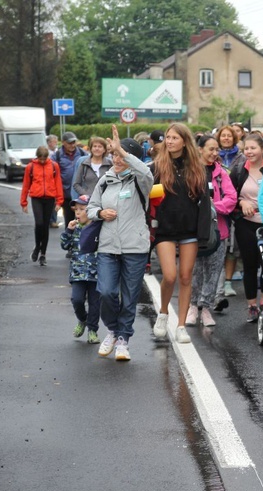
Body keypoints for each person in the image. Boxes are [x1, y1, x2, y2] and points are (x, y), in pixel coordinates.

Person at [88, 126, 153, 361]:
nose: (116, 158)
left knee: (130, 296)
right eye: (113, 154)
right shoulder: (105, 181)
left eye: (120, 154)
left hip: (134, 247)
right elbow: (91, 207)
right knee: (105, 292)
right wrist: (100, 213)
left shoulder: (141, 181)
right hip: (107, 247)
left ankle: (124, 339)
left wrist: (124, 152)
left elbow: (146, 171)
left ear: (130, 157)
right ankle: (113, 330)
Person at [151, 123, 212, 345]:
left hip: (190, 230)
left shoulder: (197, 168)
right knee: (169, 275)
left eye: (174, 138)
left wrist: (203, 234)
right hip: (165, 229)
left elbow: (204, 204)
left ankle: (181, 326)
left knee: (186, 277)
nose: (169, 141)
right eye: (167, 137)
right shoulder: (157, 166)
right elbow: (149, 199)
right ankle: (164, 312)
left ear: (184, 141)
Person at [187, 135, 237, 327]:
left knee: (214, 271)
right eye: (211, 149)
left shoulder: (221, 173)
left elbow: (231, 198)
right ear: (199, 149)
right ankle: (192, 306)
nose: (215, 153)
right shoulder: (189, 171)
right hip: (193, 231)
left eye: (217, 150)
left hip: (218, 231)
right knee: (196, 271)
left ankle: (206, 308)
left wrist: (212, 208)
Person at [230, 134, 263, 322]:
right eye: (246, 149)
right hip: (245, 224)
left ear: (262, 149)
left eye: (253, 148)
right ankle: (252, 305)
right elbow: (230, 194)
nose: (249, 152)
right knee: (250, 265)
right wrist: (241, 201)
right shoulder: (238, 170)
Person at [60, 198, 101, 344]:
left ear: (90, 211)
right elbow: (64, 245)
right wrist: (68, 230)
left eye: (81, 209)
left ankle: (92, 331)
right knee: (76, 300)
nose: (78, 212)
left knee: (95, 303)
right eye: (76, 209)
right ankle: (83, 320)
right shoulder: (75, 228)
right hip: (77, 273)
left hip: (95, 273)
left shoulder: (98, 228)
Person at [21, 146, 64, 266]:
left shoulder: (54, 166)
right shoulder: (31, 167)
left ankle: (43, 254)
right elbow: (26, 185)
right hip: (36, 198)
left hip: (50, 198)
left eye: (45, 159)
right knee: (39, 223)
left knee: (45, 226)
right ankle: (37, 247)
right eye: (41, 159)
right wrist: (23, 202)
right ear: (37, 157)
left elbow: (58, 183)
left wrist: (59, 201)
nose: (43, 161)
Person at [216, 125, 245, 299]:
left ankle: (227, 282)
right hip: (217, 207)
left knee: (232, 248)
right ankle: (216, 283)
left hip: (235, 208)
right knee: (218, 245)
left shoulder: (241, 158)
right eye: (223, 135)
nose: (226, 138)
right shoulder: (213, 155)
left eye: (229, 136)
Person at [52, 131, 88, 228]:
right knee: (69, 220)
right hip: (66, 193)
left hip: (80, 194)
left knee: (82, 221)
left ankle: (80, 241)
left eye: (74, 142)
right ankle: (70, 240)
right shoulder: (57, 155)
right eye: (70, 143)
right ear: (63, 142)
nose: (72, 145)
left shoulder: (82, 153)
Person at [72, 136, 113, 201]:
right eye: (94, 146)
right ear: (91, 149)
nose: (97, 149)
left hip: (107, 200)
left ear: (104, 149)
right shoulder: (84, 164)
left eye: (100, 146)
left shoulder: (110, 164)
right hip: (88, 201)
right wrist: (85, 194)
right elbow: (76, 184)